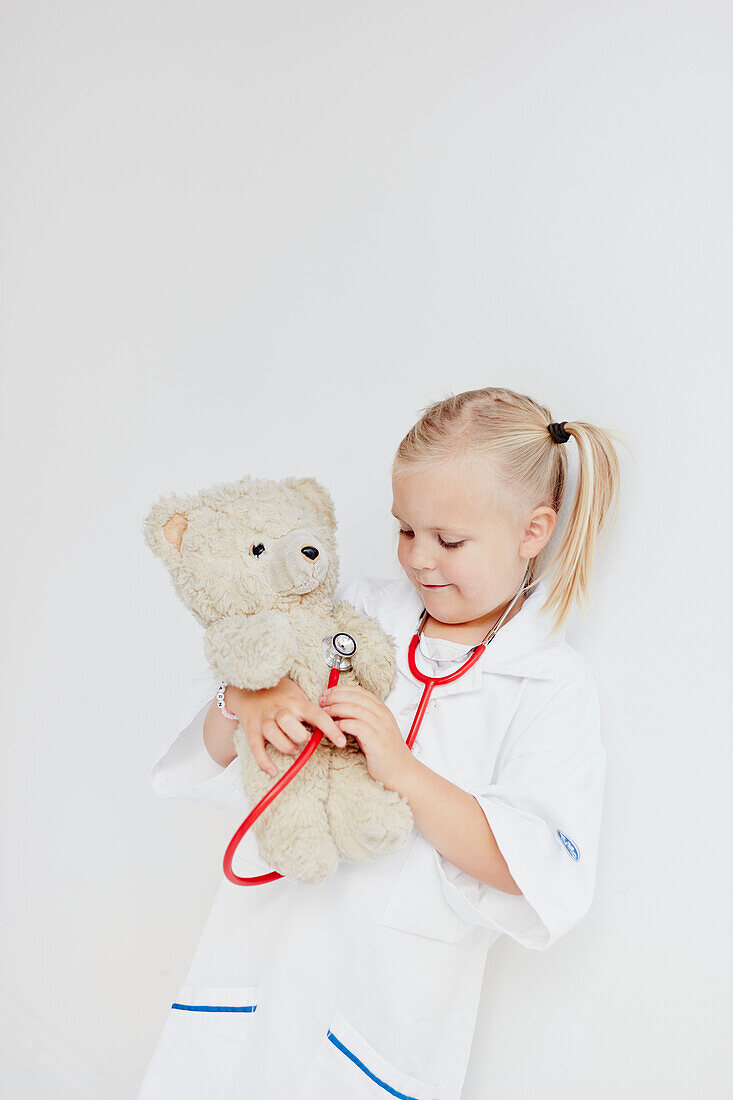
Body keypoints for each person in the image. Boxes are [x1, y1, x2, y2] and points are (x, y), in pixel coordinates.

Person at [137, 386, 622, 1100]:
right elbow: (205, 752)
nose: (419, 560)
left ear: (533, 529)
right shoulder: (351, 612)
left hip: (385, 1012)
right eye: (405, 531)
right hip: (258, 959)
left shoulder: (548, 685)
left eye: (449, 540)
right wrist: (245, 696)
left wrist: (399, 769)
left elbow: (536, 870)